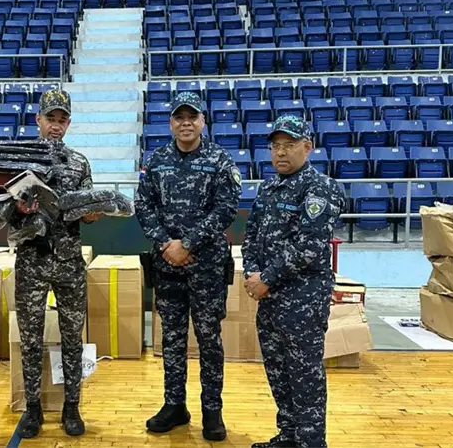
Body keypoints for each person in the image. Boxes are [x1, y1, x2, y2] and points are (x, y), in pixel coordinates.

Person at [134, 91, 240, 442]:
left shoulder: (220, 161)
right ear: (171, 123)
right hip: (167, 266)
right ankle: (174, 404)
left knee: (209, 338)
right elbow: (143, 204)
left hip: (206, 266)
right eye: (179, 117)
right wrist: (167, 244)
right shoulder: (158, 160)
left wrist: (188, 243)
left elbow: (225, 209)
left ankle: (213, 410)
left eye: (192, 117)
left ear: (202, 121)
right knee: (172, 338)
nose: (186, 123)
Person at [241, 115, 345, 448]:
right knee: (278, 370)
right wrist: (251, 273)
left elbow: (310, 245)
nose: (281, 153)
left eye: (289, 145)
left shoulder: (320, 188)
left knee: (305, 375)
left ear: (307, 147)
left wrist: (266, 279)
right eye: (276, 146)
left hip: (302, 300)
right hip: (269, 300)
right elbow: (252, 235)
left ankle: (311, 442)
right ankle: (288, 435)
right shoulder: (268, 187)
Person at [12, 90, 101, 439]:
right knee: (30, 339)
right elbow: (1, 213)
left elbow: (91, 208)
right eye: (51, 118)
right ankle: (33, 408)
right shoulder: (20, 160)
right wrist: (18, 209)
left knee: (71, 338)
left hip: (68, 263)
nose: (56, 125)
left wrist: (94, 212)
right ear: (38, 120)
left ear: (68, 122)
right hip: (32, 260)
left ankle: (72, 406)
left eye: (62, 119)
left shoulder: (79, 162)